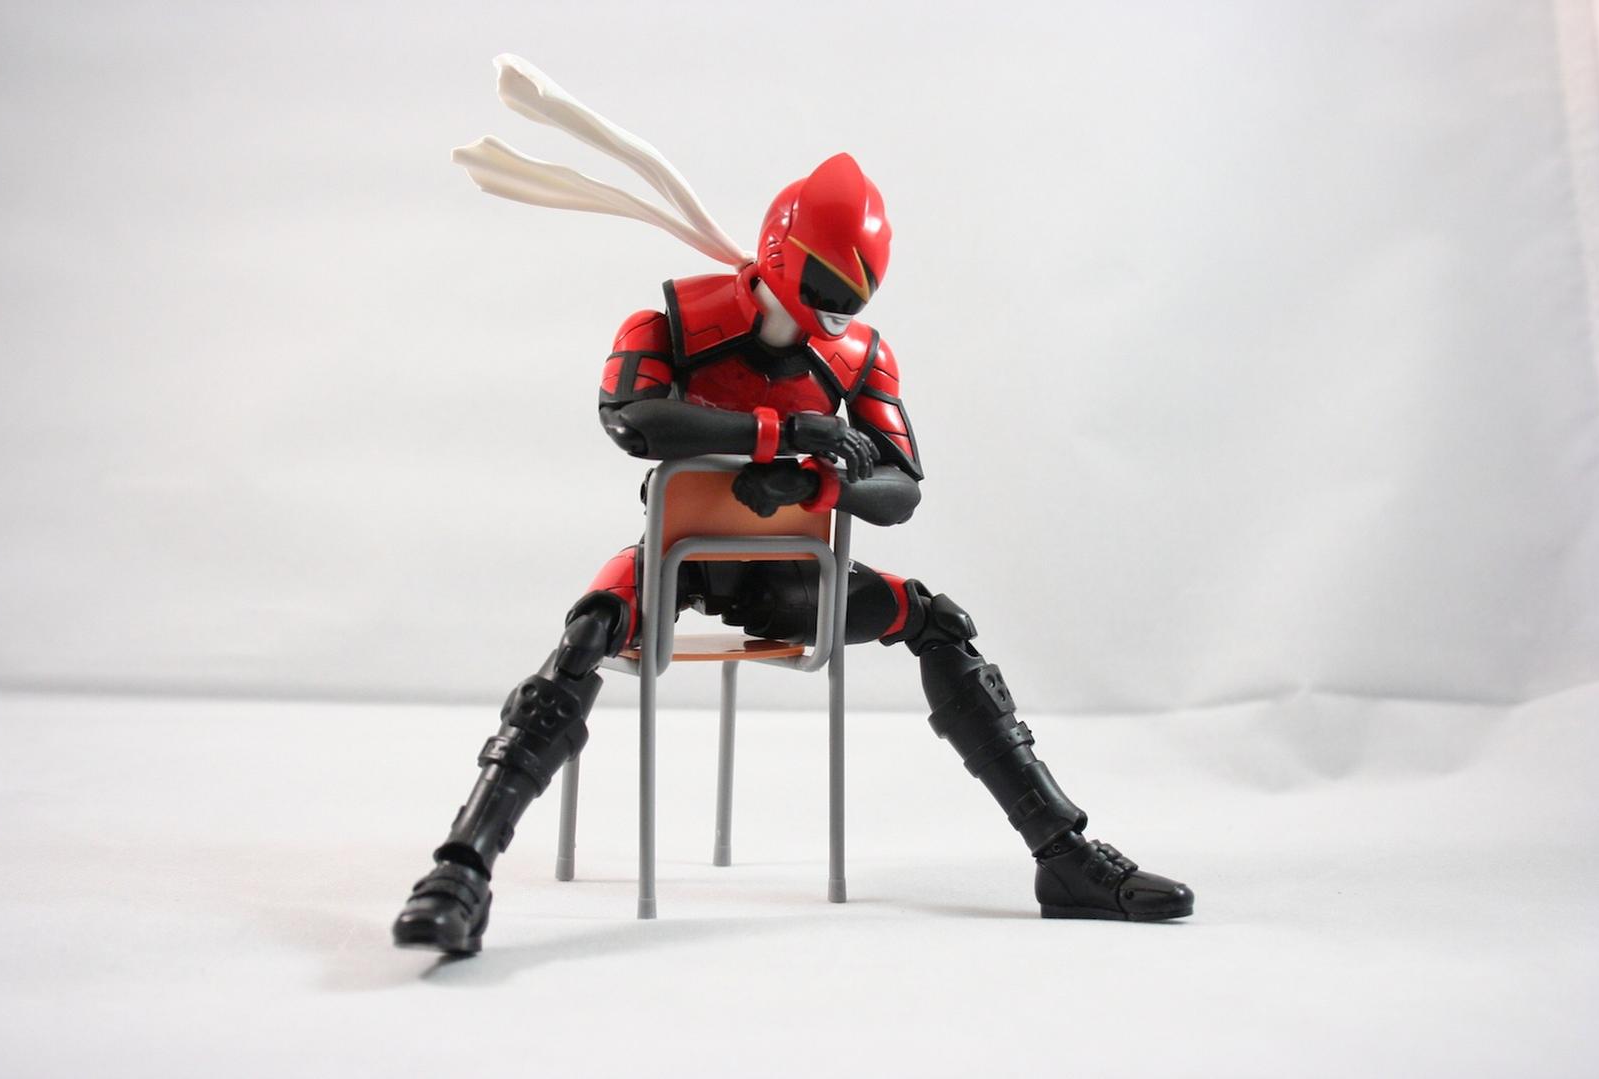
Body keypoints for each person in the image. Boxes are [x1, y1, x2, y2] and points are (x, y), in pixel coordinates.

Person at [393, 59, 1193, 955]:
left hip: (791, 582)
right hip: (673, 568)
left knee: (937, 622)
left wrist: (814, 484)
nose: (834, 312)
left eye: (851, 298)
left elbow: (900, 488)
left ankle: (1063, 854)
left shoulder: (859, 357)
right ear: (786, 256)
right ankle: (463, 865)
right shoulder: (667, 324)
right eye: (825, 288)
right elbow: (632, 419)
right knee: (584, 635)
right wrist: (781, 432)